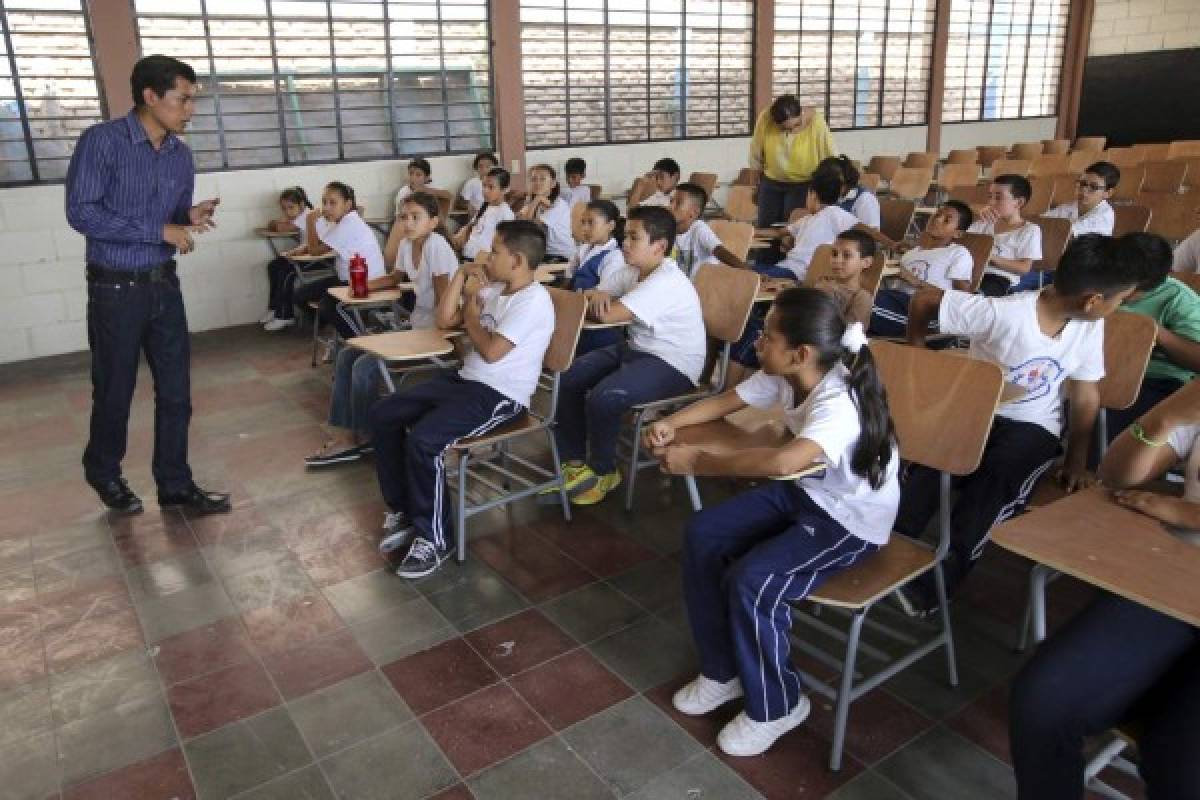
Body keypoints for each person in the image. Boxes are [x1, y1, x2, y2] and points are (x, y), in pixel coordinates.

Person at [650, 289, 898, 757]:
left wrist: (698, 460)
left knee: (753, 579)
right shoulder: (789, 376)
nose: (757, 344)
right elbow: (727, 402)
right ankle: (722, 673)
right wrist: (674, 423)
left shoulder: (838, 402)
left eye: (767, 336)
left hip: (849, 519)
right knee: (703, 534)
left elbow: (785, 462)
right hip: (808, 491)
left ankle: (779, 704)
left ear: (800, 352)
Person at [894, 234, 1141, 616]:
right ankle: (884, 555)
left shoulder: (1088, 326)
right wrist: (917, 351)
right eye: (1119, 300)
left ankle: (934, 588)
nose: (1119, 307)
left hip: (1033, 427)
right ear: (1093, 300)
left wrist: (1076, 460)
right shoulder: (1005, 312)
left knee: (993, 489)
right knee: (927, 473)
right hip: (976, 414)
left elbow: (1086, 393)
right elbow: (925, 299)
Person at [1009, 378, 1200, 800]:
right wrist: (1167, 416)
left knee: (1183, 765)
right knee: (1042, 700)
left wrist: (1185, 513)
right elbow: (1116, 475)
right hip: (1173, 587)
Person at [65, 54, 229, 515]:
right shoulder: (103, 142)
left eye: (193, 99)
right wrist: (159, 231)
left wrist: (187, 217)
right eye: (183, 99)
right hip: (115, 289)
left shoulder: (180, 154)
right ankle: (103, 470)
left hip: (163, 286)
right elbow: (83, 212)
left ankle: (175, 483)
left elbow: (170, 217)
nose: (190, 109)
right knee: (115, 390)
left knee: (176, 392)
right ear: (151, 96)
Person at [370, 220, 555, 577]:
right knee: (385, 413)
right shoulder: (496, 289)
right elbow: (443, 320)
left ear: (516, 260)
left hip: (501, 394)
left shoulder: (533, 302)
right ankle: (406, 510)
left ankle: (435, 538)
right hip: (466, 380)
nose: (487, 256)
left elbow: (490, 352)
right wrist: (460, 278)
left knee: (425, 441)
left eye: (496, 251)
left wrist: (471, 311)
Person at [549, 206, 705, 506]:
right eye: (625, 236)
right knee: (568, 378)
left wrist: (603, 300)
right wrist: (599, 296)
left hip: (674, 363)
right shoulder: (634, 271)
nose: (625, 243)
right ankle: (574, 461)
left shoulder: (666, 280)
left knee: (606, 397)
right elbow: (592, 293)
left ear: (660, 246)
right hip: (638, 350)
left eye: (634, 237)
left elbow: (611, 314)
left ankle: (605, 471)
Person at [307, 192, 459, 468]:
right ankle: (349, 432)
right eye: (404, 217)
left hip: (436, 332)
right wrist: (361, 287)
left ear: (434, 222)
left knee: (364, 366)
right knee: (346, 355)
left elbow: (444, 305)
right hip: (418, 326)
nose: (408, 223)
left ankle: (365, 435)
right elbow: (394, 278)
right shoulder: (406, 244)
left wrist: (413, 339)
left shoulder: (436, 248)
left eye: (416, 217)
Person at [1107, 232, 1200, 439]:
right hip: (1103, 370)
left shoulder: (1179, 299)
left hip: (1157, 380)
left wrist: (1155, 333)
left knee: (1114, 432)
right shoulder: (1102, 284)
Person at [273, 182, 386, 343]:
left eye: (333, 203)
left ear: (347, 205)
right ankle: (328, 325)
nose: (326, 207)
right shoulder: (339, 222)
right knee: (300, 294)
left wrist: (310, 222)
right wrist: (301, 249)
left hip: (364, 282)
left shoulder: (349, 223)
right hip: (346, 279)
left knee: (328, 306)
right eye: (324, 202)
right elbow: (321, 242)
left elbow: (315, 250)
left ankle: (358, 342)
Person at [869, 201, 975, 337]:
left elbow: (962, 299)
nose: (937, 219)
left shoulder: (958, 253)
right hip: (896, 300)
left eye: (946, 220)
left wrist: (914, 280)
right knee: (853, 295)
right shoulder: (913, 252)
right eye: (937, 214)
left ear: (958, 234)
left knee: (863, 303)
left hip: (923, 313)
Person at [748, 94, 835, 227]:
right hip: (771, 182)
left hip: (803, 184)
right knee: (765, 225)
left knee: (792, 228)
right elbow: (756, 152)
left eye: (796, 125)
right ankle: (766, 250)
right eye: (785, 129)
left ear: (801, 113)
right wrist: (755, 186)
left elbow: (830, 155)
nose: (792, 131)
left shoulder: (816, 122)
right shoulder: (765, 118)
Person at [566, 199, 630, 354]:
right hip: (577, 314)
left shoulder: (613, 256)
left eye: (591, 223)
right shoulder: (584, 248)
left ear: (611, 226)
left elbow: (606, 294)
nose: (585, 228)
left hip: (595, 324)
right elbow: (570, 275)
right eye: (583, 222)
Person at [772, 169, 858, 283]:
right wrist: (751, 231)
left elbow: (864, 229)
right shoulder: (808, 218)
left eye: (807, 195)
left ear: (813, 195)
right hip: (785, 267)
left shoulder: (834, 212)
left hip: (798, 272)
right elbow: (779, 233)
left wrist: (890, 244)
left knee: (747, 276)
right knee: (746, 272)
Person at [969, 174, 1043, 297]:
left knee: (976, 296)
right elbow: (964, 246)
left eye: (998, 198)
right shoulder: (982, 224)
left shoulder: (1030, 230)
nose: (991, 202)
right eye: (990, 196)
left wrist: (988, 257)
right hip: (969, 272)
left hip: (998, 278)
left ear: (1019, 202)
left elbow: (1024, 268)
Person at [669, 182, 749, 278]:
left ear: (693, 213)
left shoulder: (699, 228)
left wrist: (751, 274)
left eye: (678, 203)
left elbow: (719, 251)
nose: (670, 206)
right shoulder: (667, 229)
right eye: (671, 201)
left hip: (702, 287)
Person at [260, 186, 313, 329]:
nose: (287, 212)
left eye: (291, 207)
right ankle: (275, 308)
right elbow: (275, 225)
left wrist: (278, 223)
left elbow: (279, 227)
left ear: (302, 205)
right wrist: (277, 223)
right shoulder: (300, 216)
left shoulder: (307, 216)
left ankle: (285, 316)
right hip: (304, 254)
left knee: (286, 271)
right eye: (284, 209)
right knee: (274, 266)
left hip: (317, 258)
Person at [1043, 161, 1119, 237]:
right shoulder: (1073, 205)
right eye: (1082, 184)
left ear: (1108, 193)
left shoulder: (1104, 217)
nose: (1084, 190)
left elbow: (1067, 233)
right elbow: (1043, 220)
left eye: (1093, 187)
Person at [454, 167, 515, 260]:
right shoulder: (485, 207)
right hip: (467, 255)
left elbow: (505, 244)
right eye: (484, 186)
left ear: (505, 189)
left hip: (484, 260)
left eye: (491, 187)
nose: (485, 190)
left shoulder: (505, 213)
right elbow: (473, 229)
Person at [517, 164, 573, 261]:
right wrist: (532, 201)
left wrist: (535, 201)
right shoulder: (536, 201)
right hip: (544, 253)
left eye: (542, 179)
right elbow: (519, 221)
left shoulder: (558, 205)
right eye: (533, 179)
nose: (537, 183)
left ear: (553, 183)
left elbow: (529, 227)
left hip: (561, 255)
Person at [821, 155, 880, 229]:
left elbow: (872, 235)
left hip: (857, 240)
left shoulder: (865, 199)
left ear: (843, 181)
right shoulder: (835, 197)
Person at [460, 152, 498, 217]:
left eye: (488, 166)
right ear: (476, 168)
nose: (484, 169)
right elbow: (463, 202)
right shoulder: (471, 183)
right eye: (480, 166)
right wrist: (471, 209)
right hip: (479, 215)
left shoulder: (498, 182)